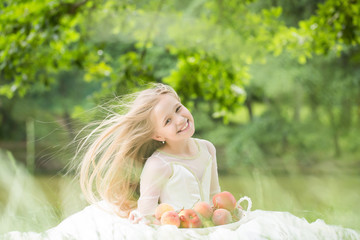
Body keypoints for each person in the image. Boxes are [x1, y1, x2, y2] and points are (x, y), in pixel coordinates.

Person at [3, 83, 360, 240]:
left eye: (178, 108)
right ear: (158, 135)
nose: (180, 119)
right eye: (169, 120)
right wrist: (139, 218)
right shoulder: (158, 165)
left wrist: (227, 211)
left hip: (209, 224)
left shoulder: (206, 148)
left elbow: (216, 193)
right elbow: (147, 209)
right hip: (174, 229)